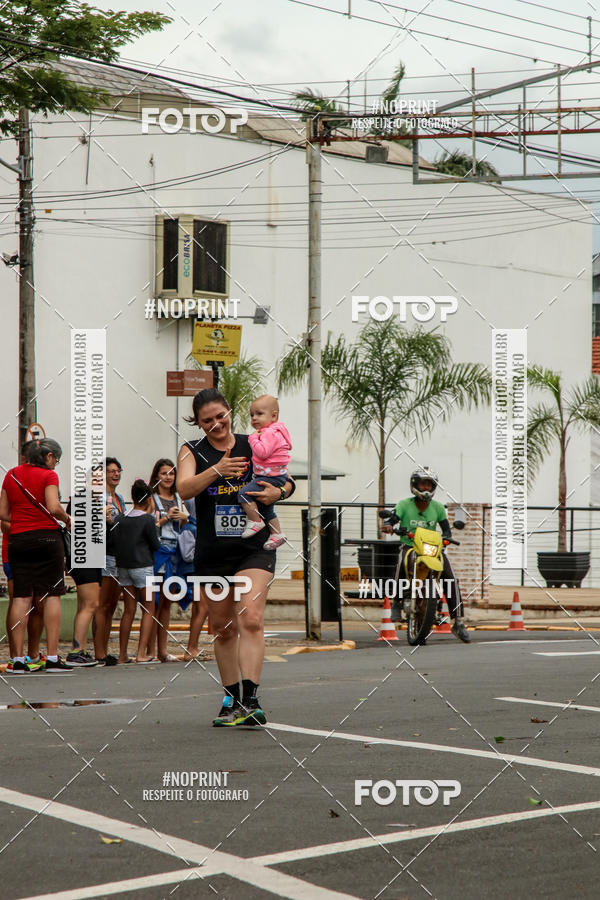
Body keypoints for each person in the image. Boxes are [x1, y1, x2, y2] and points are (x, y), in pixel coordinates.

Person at [177, 387, 295, 727]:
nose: (216, 424)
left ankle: (251, 698)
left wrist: (280, 491)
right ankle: (231, 698)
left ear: (230, 411)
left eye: (221, 416)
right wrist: (218, 469)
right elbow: (184, 489)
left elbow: (285, 476)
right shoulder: (192, 451)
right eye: (207, 420)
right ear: (199, 424)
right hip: (213, 552)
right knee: (223, 629)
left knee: (252, 617)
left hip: (254, 546)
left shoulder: (253, 442)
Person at [0, 438, 72, 673]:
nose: (55, 464)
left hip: (19, 541)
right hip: (47, 539)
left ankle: (18, 660)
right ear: (49, 456)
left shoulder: (11, 474)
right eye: (56, 460)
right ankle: (51, 657)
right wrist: (66, 518)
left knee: (21, 597)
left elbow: (2, 512)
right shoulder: (48, 476)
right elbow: (52, 506)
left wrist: (22, 520)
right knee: (51, 595)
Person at [382, 466, 470, 643]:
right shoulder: (404, 505)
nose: (426, 488)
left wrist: (447, 536)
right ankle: (397, 604)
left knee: (451, 579)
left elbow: (446, 529)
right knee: (401, 564)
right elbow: (393, 518)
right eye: (422, 484)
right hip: (411, 546)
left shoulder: (437, 508)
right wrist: (389, 524)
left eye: (429, 485)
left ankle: (458, 622)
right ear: (415, 485)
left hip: (432, 550)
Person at [148, 458, 196, 662]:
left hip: (176, 554)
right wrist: (167, 517)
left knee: (167, 603)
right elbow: (148, 524)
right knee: (154, 603)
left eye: (171, 473)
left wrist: (181, 517)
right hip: (158, 553)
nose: (168, 477)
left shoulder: (179, 496)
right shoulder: (151, 497)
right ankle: (148, 650)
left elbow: (187, 521)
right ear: (156, 476)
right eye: (164, 473)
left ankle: (162, 650)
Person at [112, 479, 160, 663]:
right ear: (148, 499)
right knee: (149, 608)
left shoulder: (120, 518)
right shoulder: (147, 519)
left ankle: (122, 654)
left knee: (128, 610)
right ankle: (141, 653)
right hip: (144, 567)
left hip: (123, 567)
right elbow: (155, 545)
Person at [238, 395, 291, 551]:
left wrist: (253, 439)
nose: (254, 418)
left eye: (259, 414)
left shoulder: (268, 433)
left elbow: (262, 452)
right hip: (278, 476)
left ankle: (255, 521)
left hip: (269, 477)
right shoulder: (277, 431)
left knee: (243, 494)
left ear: (273, 416)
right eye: (252, 415)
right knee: (266, 508)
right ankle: (277, 533)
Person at [93, 457, 125, 665]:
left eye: (118, 470)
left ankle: (104, 649)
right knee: (102, 604)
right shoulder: (98, 496)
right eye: (111, 471)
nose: (116, 474)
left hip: (118, 554)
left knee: (112, 604)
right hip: (103, 552)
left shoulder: (119, 498)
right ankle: (99, 652)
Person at [64, 497, 101, 667]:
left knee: (84, 605)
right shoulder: (83, 499)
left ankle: (80, 649)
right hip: (84, 556)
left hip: (84, 555)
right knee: (90, 604)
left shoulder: (83, 499)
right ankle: (77, 652)